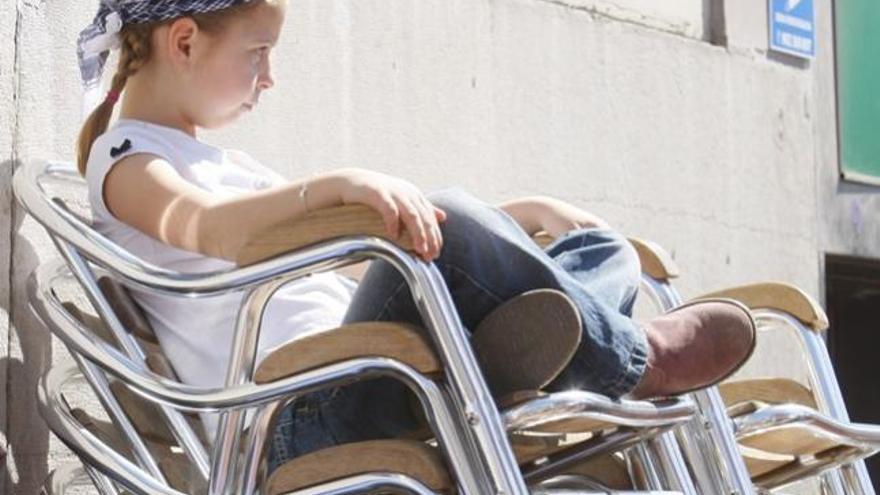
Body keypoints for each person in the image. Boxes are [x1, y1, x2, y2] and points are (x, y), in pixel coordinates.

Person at [76, 0, 755, 472]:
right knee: (449, 215)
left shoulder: (228, 165)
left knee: (600, 247)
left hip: (371, 369)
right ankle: (636, 360)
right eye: (258, 53)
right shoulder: (127, 160)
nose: (269, 78)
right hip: (299, 417)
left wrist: (516, 214)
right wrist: (338, 186)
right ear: (185, 41)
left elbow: (355, 266)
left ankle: (531, 357)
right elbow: (211, 228)